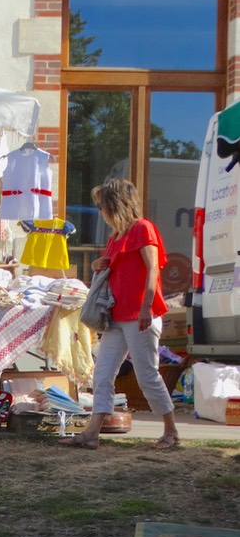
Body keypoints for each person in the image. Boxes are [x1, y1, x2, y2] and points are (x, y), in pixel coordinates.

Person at [63, 178, 180, 450]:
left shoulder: (142, 229)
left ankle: (171, 432)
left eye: (102, 206)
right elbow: (113, 271)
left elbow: (153, 269)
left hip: (140, 314)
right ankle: (92, 433)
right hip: (116, 316)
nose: (101, 212)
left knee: (147, 375)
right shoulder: (116, 237)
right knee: (102, 374)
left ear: (114, 205)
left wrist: (145, 307)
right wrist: (96, 265)